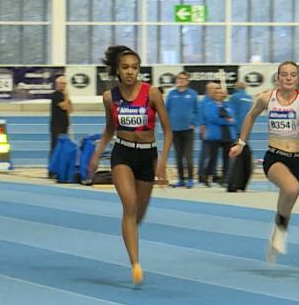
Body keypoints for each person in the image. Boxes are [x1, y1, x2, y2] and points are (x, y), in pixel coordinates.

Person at [88, 45, 172, 285]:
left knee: (137, 215)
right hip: (122, 154)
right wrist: (96, 154)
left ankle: (130, 236)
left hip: (148, 156)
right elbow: (109, 129)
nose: (130, 72)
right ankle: (135, 264)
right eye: (125, 67)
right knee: (129, 205)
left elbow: (168, 130)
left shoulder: (152, 94)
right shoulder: (110, 98)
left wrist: (162, 162)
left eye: (135, 68)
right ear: (117, 70)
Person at [229, 61, 299, 263]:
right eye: (284, 74)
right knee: (292, 188)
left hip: (298, 159)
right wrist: (241, 143)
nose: (288, 78)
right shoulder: (267, 98)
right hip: (275, 157)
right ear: (278, 78)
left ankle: (279, 227)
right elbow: (250, 117)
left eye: (292, 75)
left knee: (287, 206)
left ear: (297, 78)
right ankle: (280, 226)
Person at [165, 71, 199, 188]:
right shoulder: (171, 94)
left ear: (187, 81)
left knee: (188, 156)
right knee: (178, 156)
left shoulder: (193, 94)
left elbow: (197, 111)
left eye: (184, 79)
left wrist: (194, 123)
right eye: (179, 78)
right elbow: (166, 111)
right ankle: (181, 180)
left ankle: (190, 179)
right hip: (174, 130)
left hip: (188, 130)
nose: (181, 80)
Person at [199, 82, 235, 186]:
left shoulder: (228, 105)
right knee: (212, 158)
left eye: (221, 93)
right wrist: (226, 121)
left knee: (227, 158)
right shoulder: (209, 105)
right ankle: (206, 177)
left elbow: (234, 119)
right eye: (217, 93)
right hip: (215, 135)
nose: (219, 95)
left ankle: (225, 179)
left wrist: (227, 120)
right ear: (214, 95)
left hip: (228, 135)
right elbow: (213, 118)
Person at [227, 81, 255, 192]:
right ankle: (242, 184)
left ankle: (233, 184)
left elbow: (231, 114)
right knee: (245, 157)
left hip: (237, 131)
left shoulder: (233, 98)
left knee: (237, 158)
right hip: (247, 131)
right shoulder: (249, 98)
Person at [48, 75, 72, 177]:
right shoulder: (56, 95)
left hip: (64, 125)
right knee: (55, 147)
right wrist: (67, 97)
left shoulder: (63, 95)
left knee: (63, 147)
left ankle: (59, 169)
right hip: (56, 125)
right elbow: (64, 106)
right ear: (57, 84)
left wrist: (67, 99)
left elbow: (70, 109)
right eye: (62, 84)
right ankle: (52, 170)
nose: (64, 86)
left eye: (65, 84)